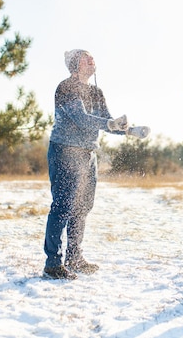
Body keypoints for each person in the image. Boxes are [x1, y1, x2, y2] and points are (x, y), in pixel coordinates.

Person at [43, 49, 150, 280]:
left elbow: (105, 122)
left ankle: (74, 257)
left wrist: (130, 131)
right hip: (64, 151)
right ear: (75, 65)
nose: (92, 59)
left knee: (82, 206)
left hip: (88, 154)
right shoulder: (66, 87)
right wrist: (111, 124)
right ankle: (52, 263)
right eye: (85, 56)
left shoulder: (97, 92)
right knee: (63, 206)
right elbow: (80, 119)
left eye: (92, 56)